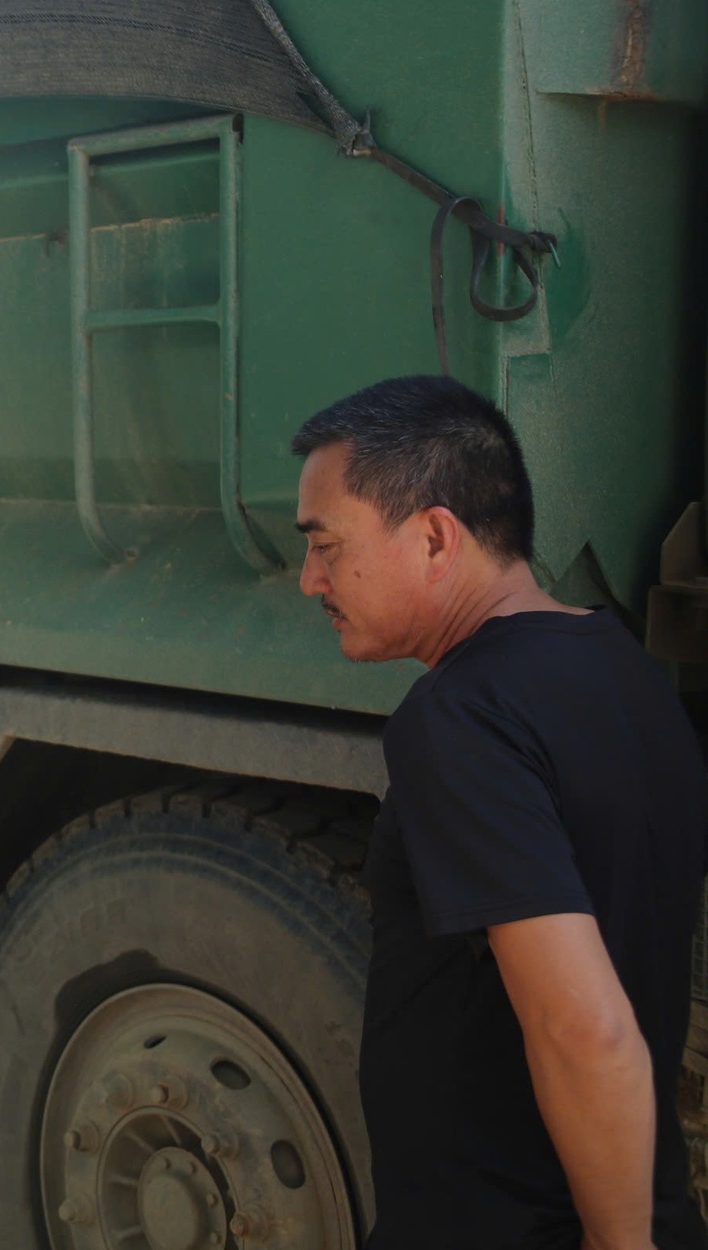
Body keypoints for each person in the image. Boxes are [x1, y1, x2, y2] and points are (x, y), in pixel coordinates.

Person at [291, 374, 708, 1250]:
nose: (308, 579)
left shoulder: (461, 720)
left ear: (436, 535)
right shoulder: (624, 669)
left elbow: (584, 1027)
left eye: (326, 544)